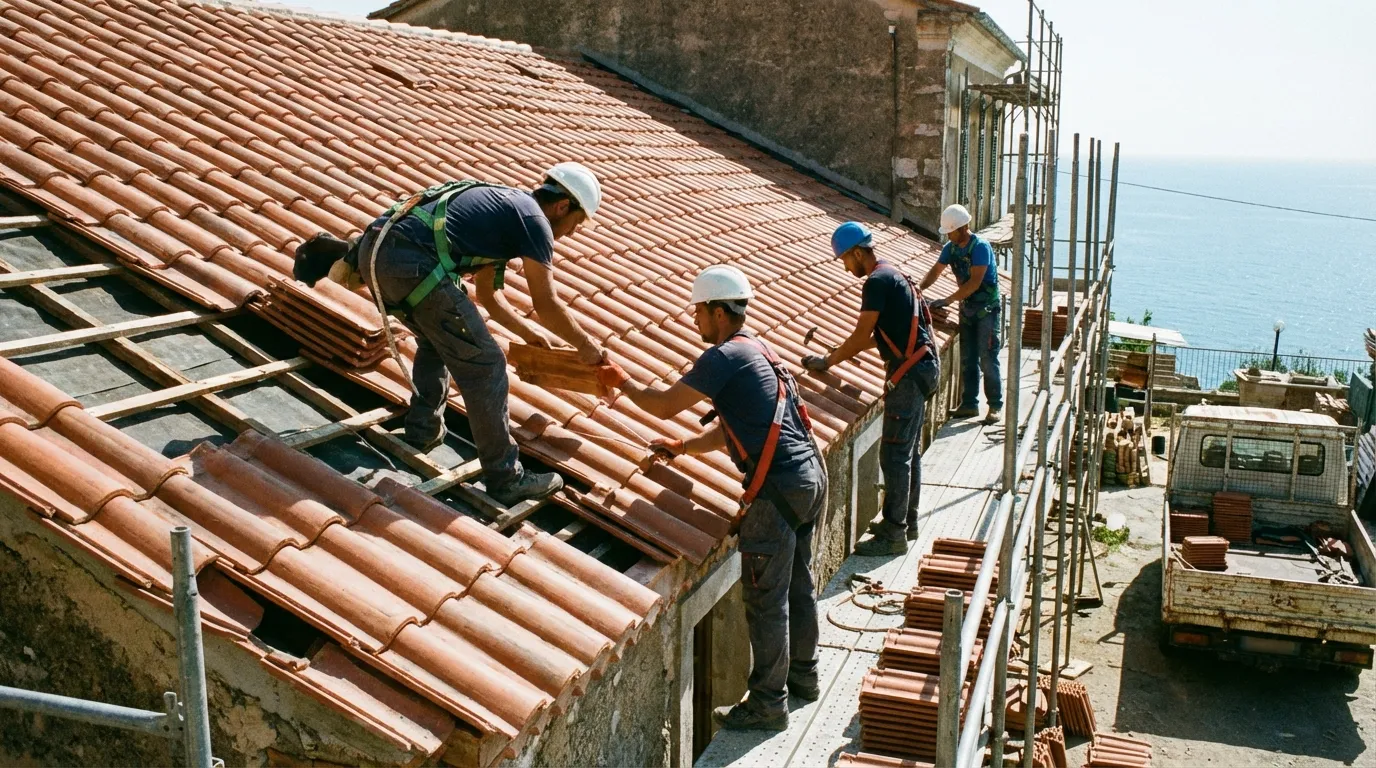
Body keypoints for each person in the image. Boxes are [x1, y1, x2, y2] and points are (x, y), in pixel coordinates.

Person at [293, 163, 607, 506]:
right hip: (412, 261)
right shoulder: (534, 221)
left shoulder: (506, 212)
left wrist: (528, 333)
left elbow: (490, 297)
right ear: (563, 206)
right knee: (487, 366)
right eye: (576, 223)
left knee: (437, 340)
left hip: (377, 255)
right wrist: (586, 346)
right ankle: (506, 478)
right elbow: (545, 301)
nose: (572, 233)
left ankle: (423, 431)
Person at [597, 265, 826, 731]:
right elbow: (733, 430)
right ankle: (804, 677)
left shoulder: (722, 358)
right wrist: (682, 447)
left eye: (699, 311)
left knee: (765, 597)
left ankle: (768, 703)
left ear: (719, 311)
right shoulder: (758, 350)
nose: (694, 320)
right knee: (797, 584)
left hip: (778, 488)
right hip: (808, 478)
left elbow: (662, 405)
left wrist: (620, 382)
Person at [802, 222, 940, 556]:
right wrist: (837, 352)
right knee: (907, 453)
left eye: (845, 260)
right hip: (922, 368)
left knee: (894, 453)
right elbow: (878, 335)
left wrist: (827, 362)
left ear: (858, 252)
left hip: (908, 376)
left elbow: (863, 334)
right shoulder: (894, 275)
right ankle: (906, 519)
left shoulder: (876, 282)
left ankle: (894, 533)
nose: (846, 267)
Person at [919, 203, 1003, 423]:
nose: (948, 235)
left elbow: (975, 282)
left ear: (962, 228)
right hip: (967, 309)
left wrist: (947, 300)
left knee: (987, 357)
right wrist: (918, 290)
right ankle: (969, 404)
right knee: (968, 358)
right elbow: (936, 271)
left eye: (951, 231)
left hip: (987, 309)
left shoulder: (980, 247)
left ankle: (994, 406)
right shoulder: (951, 248)